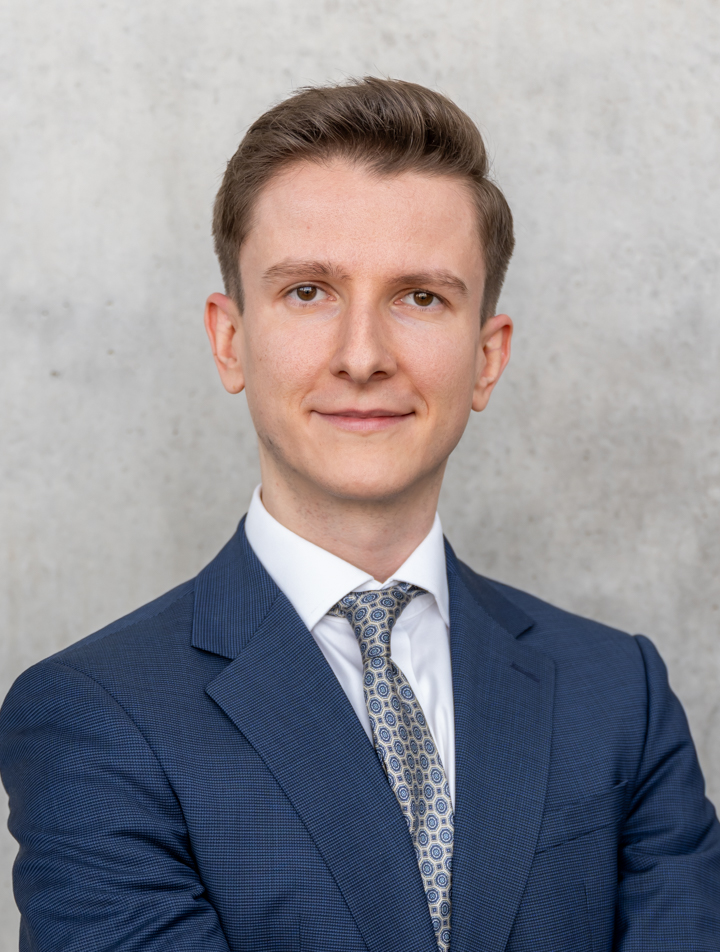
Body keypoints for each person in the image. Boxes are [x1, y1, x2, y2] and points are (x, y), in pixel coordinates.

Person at [1, 77, 718, 952]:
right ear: (231, 340)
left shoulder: (619, 694)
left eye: (420, 297)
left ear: (487, 358)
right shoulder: (96, 715)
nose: (363, 356)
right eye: (309, 292)